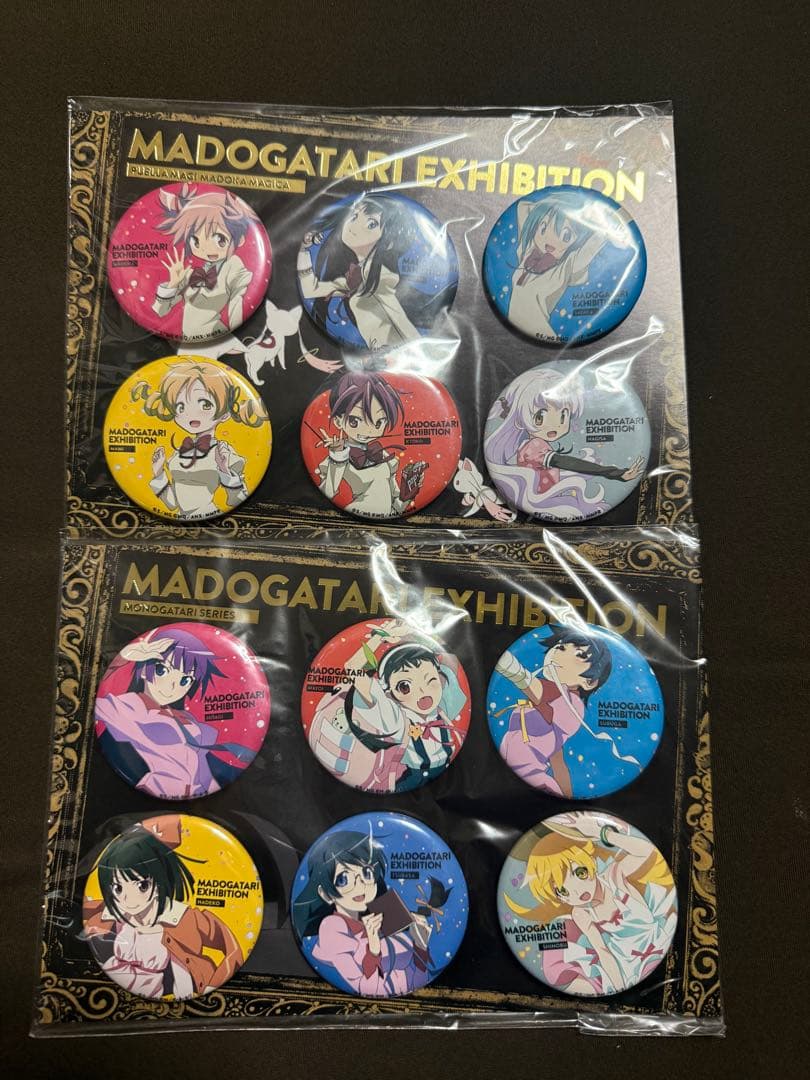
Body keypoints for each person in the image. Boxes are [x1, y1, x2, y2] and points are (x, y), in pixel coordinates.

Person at [505, 813, 677, 995]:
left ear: (590, 862)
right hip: (627, 964)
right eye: (563, 891)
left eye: (580, 873)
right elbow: (603, 951)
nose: (578, 891)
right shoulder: (581, 913)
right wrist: (619, 987)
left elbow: (646, 851)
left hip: (658, 942)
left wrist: (603, 834)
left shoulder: (614, 876)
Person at [84, 816, 244, 1000]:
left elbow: (233, 948)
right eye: (118, 888)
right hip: (109, 994)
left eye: (142, 886)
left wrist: (211, 984)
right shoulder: (109, 914)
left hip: (177, 997)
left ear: (160, 881)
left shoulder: (185, 918)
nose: (128, 899)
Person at [95, 627, 253, 798]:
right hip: (154, 792)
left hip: (203, 794)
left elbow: (201, 769)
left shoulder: (184, 719)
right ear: (144, 669)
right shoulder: (128, 707)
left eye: (185, 680)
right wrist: (126, 657)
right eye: (162, 671)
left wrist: (213, 788)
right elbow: (99, 702)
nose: (171, 687)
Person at [293, 827, 433, 997]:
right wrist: (373, 950)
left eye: (366, 873)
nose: (360, 885)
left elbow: (416, 981)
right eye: (343, 879)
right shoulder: (332, 928)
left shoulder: (383, 912)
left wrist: (420, 946)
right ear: (325, 894)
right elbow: (365, 989)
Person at [132, 358, 269, 520]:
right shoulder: (179, 454)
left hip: (212, 517)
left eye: (205, 404)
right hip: (179, 520)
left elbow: (236, 499)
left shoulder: (223, 453)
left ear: (225, 414)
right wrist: (159, 472)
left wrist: (225, 470)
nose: (191, 415)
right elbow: (172, 505)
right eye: (180, 407)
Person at [152, 184, 259, 341]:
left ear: (240, 239)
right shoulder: (190, 273)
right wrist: (173, 284)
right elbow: (160, 312)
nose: (207, 250)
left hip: (217, 338)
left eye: (219, 239)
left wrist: (238, 337)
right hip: (186, 340)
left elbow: (237, 303)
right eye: (195, 241)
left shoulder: (233, 267)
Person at [314, 371, 425, 518]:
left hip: (389, 524)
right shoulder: (338, 456)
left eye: (379, 422)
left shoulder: (383, 455)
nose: (369, 430)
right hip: (352, 520)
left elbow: (397, 508)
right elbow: (328, 491)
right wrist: (338, 455)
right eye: (355, 421)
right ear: (338, 421)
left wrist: (408, 493)